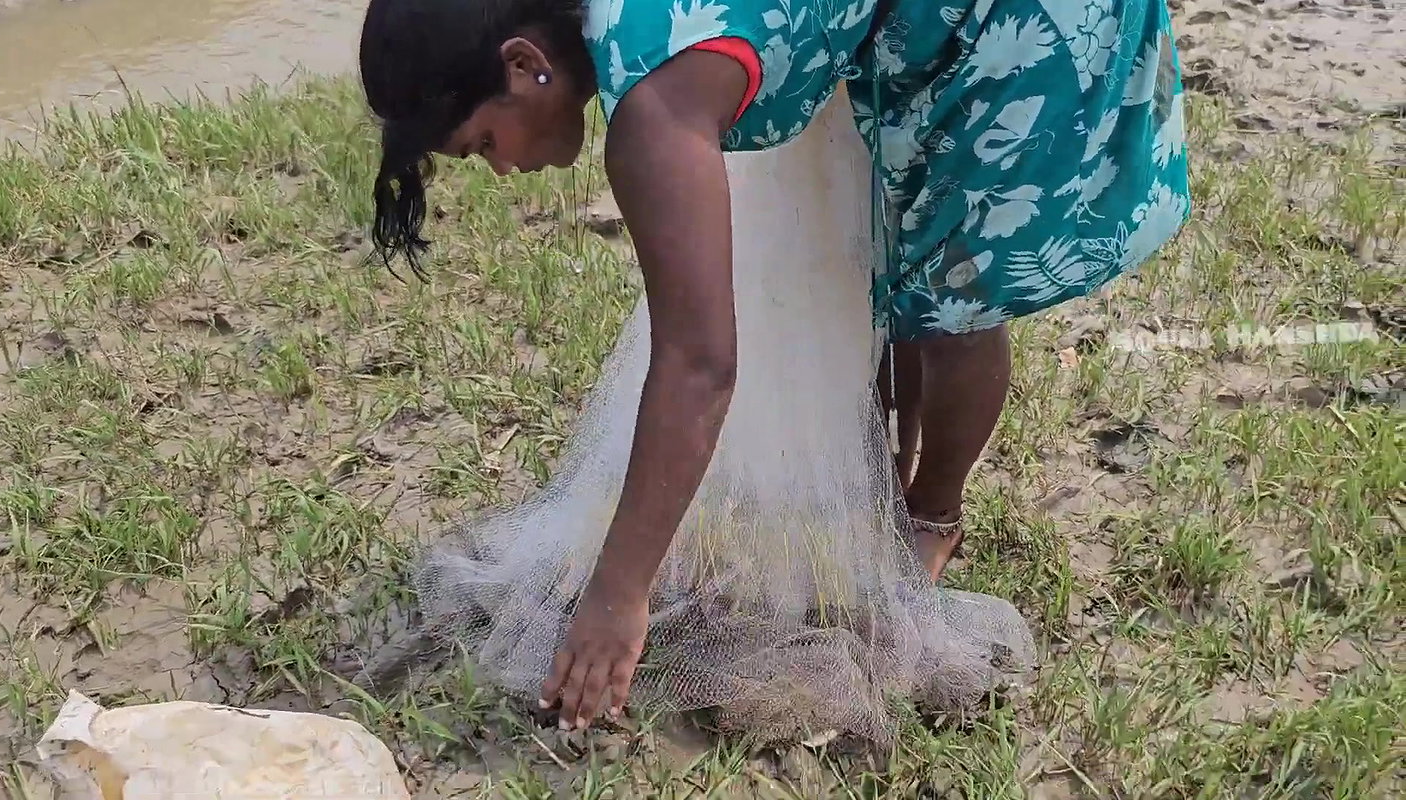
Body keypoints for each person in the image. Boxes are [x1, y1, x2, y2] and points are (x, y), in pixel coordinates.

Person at [358, 0, 1190, 730]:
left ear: (524, 64)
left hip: (999, 19)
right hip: (899, 24)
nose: (504, 166)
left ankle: (931, 517)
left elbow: (699, 367)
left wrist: (619, 594)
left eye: (482, 143)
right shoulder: (641, 51)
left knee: (953, 297)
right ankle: (887, 487)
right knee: (888, 256)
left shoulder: (654, 102)